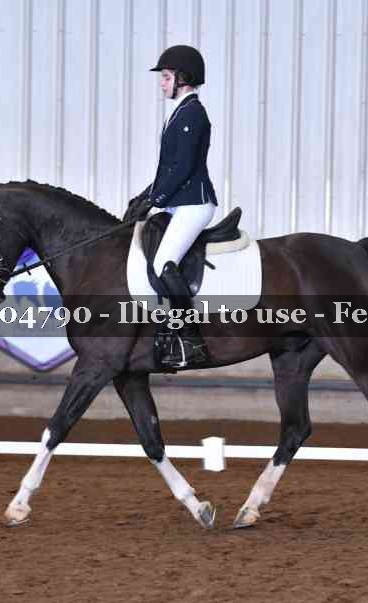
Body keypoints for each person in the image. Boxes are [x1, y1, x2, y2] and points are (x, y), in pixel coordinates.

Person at [127, 45, 218, 369]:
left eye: (166, 77)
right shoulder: (180, 111)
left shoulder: (193, 113)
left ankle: (192, 340)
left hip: (194, 203)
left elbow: (183, 168)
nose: (162, 83)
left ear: (183, 78)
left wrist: (155, 201)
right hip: (179, 202)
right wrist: (143, 197)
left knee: (165, 262)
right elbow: (166, 169)